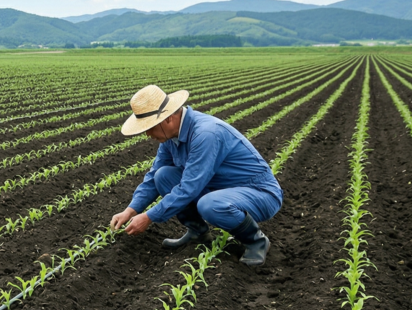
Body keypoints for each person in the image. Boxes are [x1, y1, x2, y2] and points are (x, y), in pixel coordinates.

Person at [109, 85, 283, 266]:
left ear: (167, 119)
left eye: (150, 127)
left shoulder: (206, 134)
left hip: (259, 193)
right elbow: (153, 178)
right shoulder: (170, 138)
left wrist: (149, 217)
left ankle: (256, 242)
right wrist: (131, 210)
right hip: (221, 189)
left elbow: (189, 187)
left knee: (210, 205)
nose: (147, 134)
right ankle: (197, 233)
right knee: (163, 176)